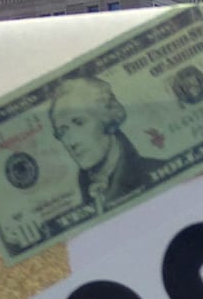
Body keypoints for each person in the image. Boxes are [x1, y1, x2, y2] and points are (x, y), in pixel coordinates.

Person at [49, 74, 168, 213]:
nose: (71, 142)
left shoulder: (159, 171)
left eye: (79, 122)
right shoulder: (81, 201)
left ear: (108, 119)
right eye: (62, 132)